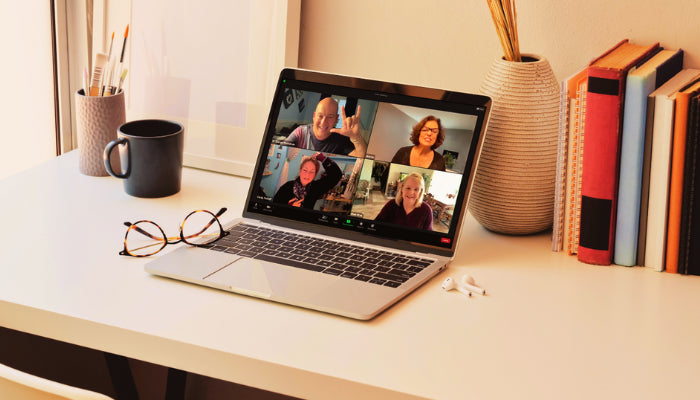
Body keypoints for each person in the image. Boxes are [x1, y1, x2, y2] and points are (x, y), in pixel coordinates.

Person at [284, 97, 367, 157]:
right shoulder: (301, 132)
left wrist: (357, 137)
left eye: (330, 117)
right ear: (314, 116)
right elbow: (283, 149)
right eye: (320, 116)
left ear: (336, 119)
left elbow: (362, 156)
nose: (323, 122)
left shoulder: (341, 139)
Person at [273, 152, 342, 209]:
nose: (307, 175)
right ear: (300, 170)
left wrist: (322, 158)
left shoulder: (316, 188)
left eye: (312, 172)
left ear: (315, 174)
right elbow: (274, 206)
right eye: (305, 170)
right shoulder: (287, 186)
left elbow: (336, 175)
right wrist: (288, 206)